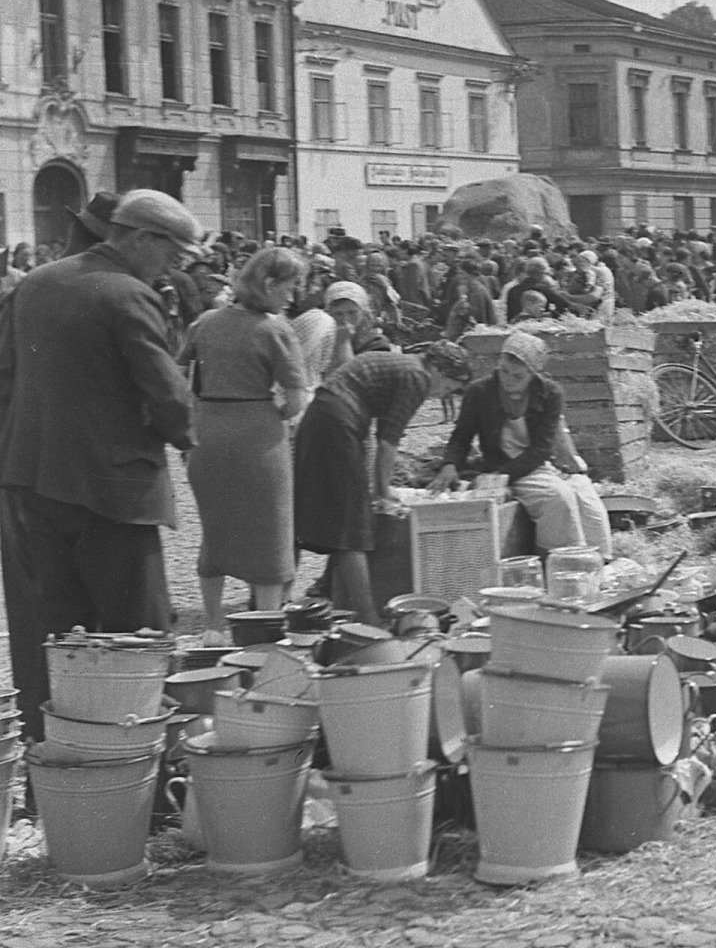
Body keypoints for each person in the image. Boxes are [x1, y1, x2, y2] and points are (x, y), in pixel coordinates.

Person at [0, 189, 202, 742]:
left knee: (61, 632)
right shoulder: (129, 296)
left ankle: (66, 751)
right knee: (137, 631)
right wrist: (187, 437)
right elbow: (170, 398)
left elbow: (9, 376)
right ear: (140, 237)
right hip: (112, 491)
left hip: (31, 481)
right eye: (172, 255)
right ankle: (135, 758)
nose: (173, 268)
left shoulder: (37, 282)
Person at [179, 246, 311, 635]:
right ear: (269, 284)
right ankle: (265, 629)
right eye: (290, 287)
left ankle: (214, 624)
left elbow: (176, 371)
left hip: (209, 433)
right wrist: (275, 412)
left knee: (214, 531)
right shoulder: (275, 329)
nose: (293, 296)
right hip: (258, 437)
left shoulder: (203, 323)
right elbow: (296, 399)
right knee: (270, 536)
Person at [431, 330, 611, 551]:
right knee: (559, 498)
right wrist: (449, 464)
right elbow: (462, 435)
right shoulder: (479, 392)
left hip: (531, 465)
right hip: (496, 464)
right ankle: (558, 559)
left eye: (518, 376)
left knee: (580, 500)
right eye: (504, 372)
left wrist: (503, 476)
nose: (508, 380)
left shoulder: (550, 393)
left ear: (533, 374)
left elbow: (542, 448)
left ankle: (584, 559)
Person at [292, 350, 432, 623]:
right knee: (352, 526)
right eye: (449, 385)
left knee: (306, 514)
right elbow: (388, 442)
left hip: (322, 412)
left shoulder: (405, 364)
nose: (444, 392)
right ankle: (368, 616)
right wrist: (383, 494)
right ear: (440, 371)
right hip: (339, 421)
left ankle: (276, 602)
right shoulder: (419, 377)